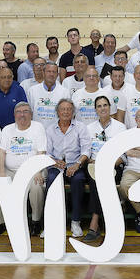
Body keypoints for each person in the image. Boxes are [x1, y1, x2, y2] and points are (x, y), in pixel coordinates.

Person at [0, 102, 47, 236]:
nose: (22, 114)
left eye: (26, 111)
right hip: (10, 170)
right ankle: (0, 223)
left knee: (36, 186)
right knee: (0, 185)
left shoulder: (38, 127)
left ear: (31, 114)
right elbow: (2, 152)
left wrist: (38, 171)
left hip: (32, 169)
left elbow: (41, 151)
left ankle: (35, 222)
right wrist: (1, 172)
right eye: (19, 112)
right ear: (14, 114)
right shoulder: (7, 129)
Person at [83, 96, 127, 241]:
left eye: (105, 105)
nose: (102, 108)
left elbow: (123, 155)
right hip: (94, 166)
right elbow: (86, 153)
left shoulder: (120, 127)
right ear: (95, 110)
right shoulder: (89, 129)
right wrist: (95, 161)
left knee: (103, 180)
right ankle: (109, 222)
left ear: (110, 107)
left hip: (113, 165)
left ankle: (94, 222)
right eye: (99, 106)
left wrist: (109, 162)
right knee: (97, 179)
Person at [45, 99, 91, 237]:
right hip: (56, 166)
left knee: (78, 181)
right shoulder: (50, 129)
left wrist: (77, 164)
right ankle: (52, 224)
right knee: (51, 180)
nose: (66, 112)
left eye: (69, 109)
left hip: (75, 165)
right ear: (57, 112)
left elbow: (86, 151)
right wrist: (54, 162)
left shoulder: (80, 127)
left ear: (73, 112)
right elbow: (47, 152)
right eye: (63, 109)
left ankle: (75, 222)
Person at [27, 62, 70, 129]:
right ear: (43, 73)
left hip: (57, 132)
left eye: (54, 72)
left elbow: (67, 116)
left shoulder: (65, 92)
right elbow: (29, 114)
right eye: (48, 71)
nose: (51, 74)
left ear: (57, 75)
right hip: (37, 131)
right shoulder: (32, 91)